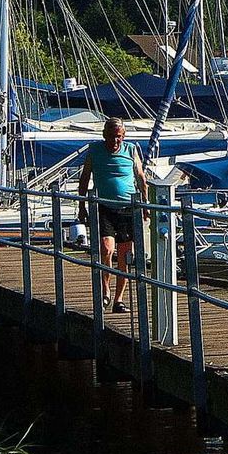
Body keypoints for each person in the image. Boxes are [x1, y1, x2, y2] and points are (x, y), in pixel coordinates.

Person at [77, 116, 146, 313]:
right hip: (104, 206)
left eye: (118, 137)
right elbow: (84, 178)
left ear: (123, 136)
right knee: (106, 249)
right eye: (111, 136)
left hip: (127, 208)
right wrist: (82, 207)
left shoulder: (131, 150)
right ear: (104, 135)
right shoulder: (95, 150)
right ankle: (105, 288)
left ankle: (119, 300)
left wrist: (145, 204)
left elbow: (141, 177)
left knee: (124, 256)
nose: (115, 141)